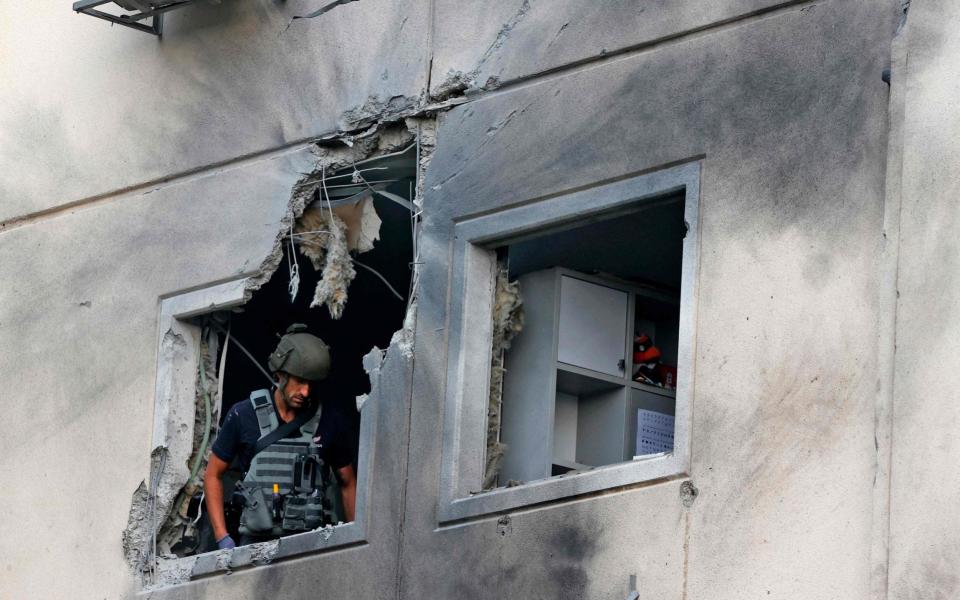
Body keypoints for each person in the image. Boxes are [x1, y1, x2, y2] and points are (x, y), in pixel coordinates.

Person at [203, 324, 357, 550]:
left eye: (311, 384)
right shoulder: (243, 415)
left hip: (310, 545)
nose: (305, 392)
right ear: (280, 375)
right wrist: (222, 536)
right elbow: (212, 475)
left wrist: (353, 538)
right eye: (299, 381)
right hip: (254, 545)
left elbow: (348, 482)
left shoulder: (330, 420)